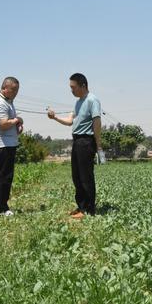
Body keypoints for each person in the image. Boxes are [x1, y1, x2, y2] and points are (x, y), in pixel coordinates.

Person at [48, 73, 104, 219]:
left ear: (83, 86)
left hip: (87, 141)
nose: (71, 90)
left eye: (73, 87)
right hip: (77, 141)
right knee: (77, 176)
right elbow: (70, 121)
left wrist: (98, 145)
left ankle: (89, 210)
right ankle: (81, 206)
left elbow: (97, 123)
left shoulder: (93, 100)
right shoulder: (78, 102)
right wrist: (55, 117)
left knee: (86, 177)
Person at [0, 77, 23, 216]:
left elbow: (9, 123)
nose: (15, 93)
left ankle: (3, 205)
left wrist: (17, 124)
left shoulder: (7, 101)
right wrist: (16, 120)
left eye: (17, 90)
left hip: (8, 143)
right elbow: (3, 124)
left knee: (6, 176)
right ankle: (0, 208)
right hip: (2, 144)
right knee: (3, 176)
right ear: (4, 88)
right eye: (13, 90)